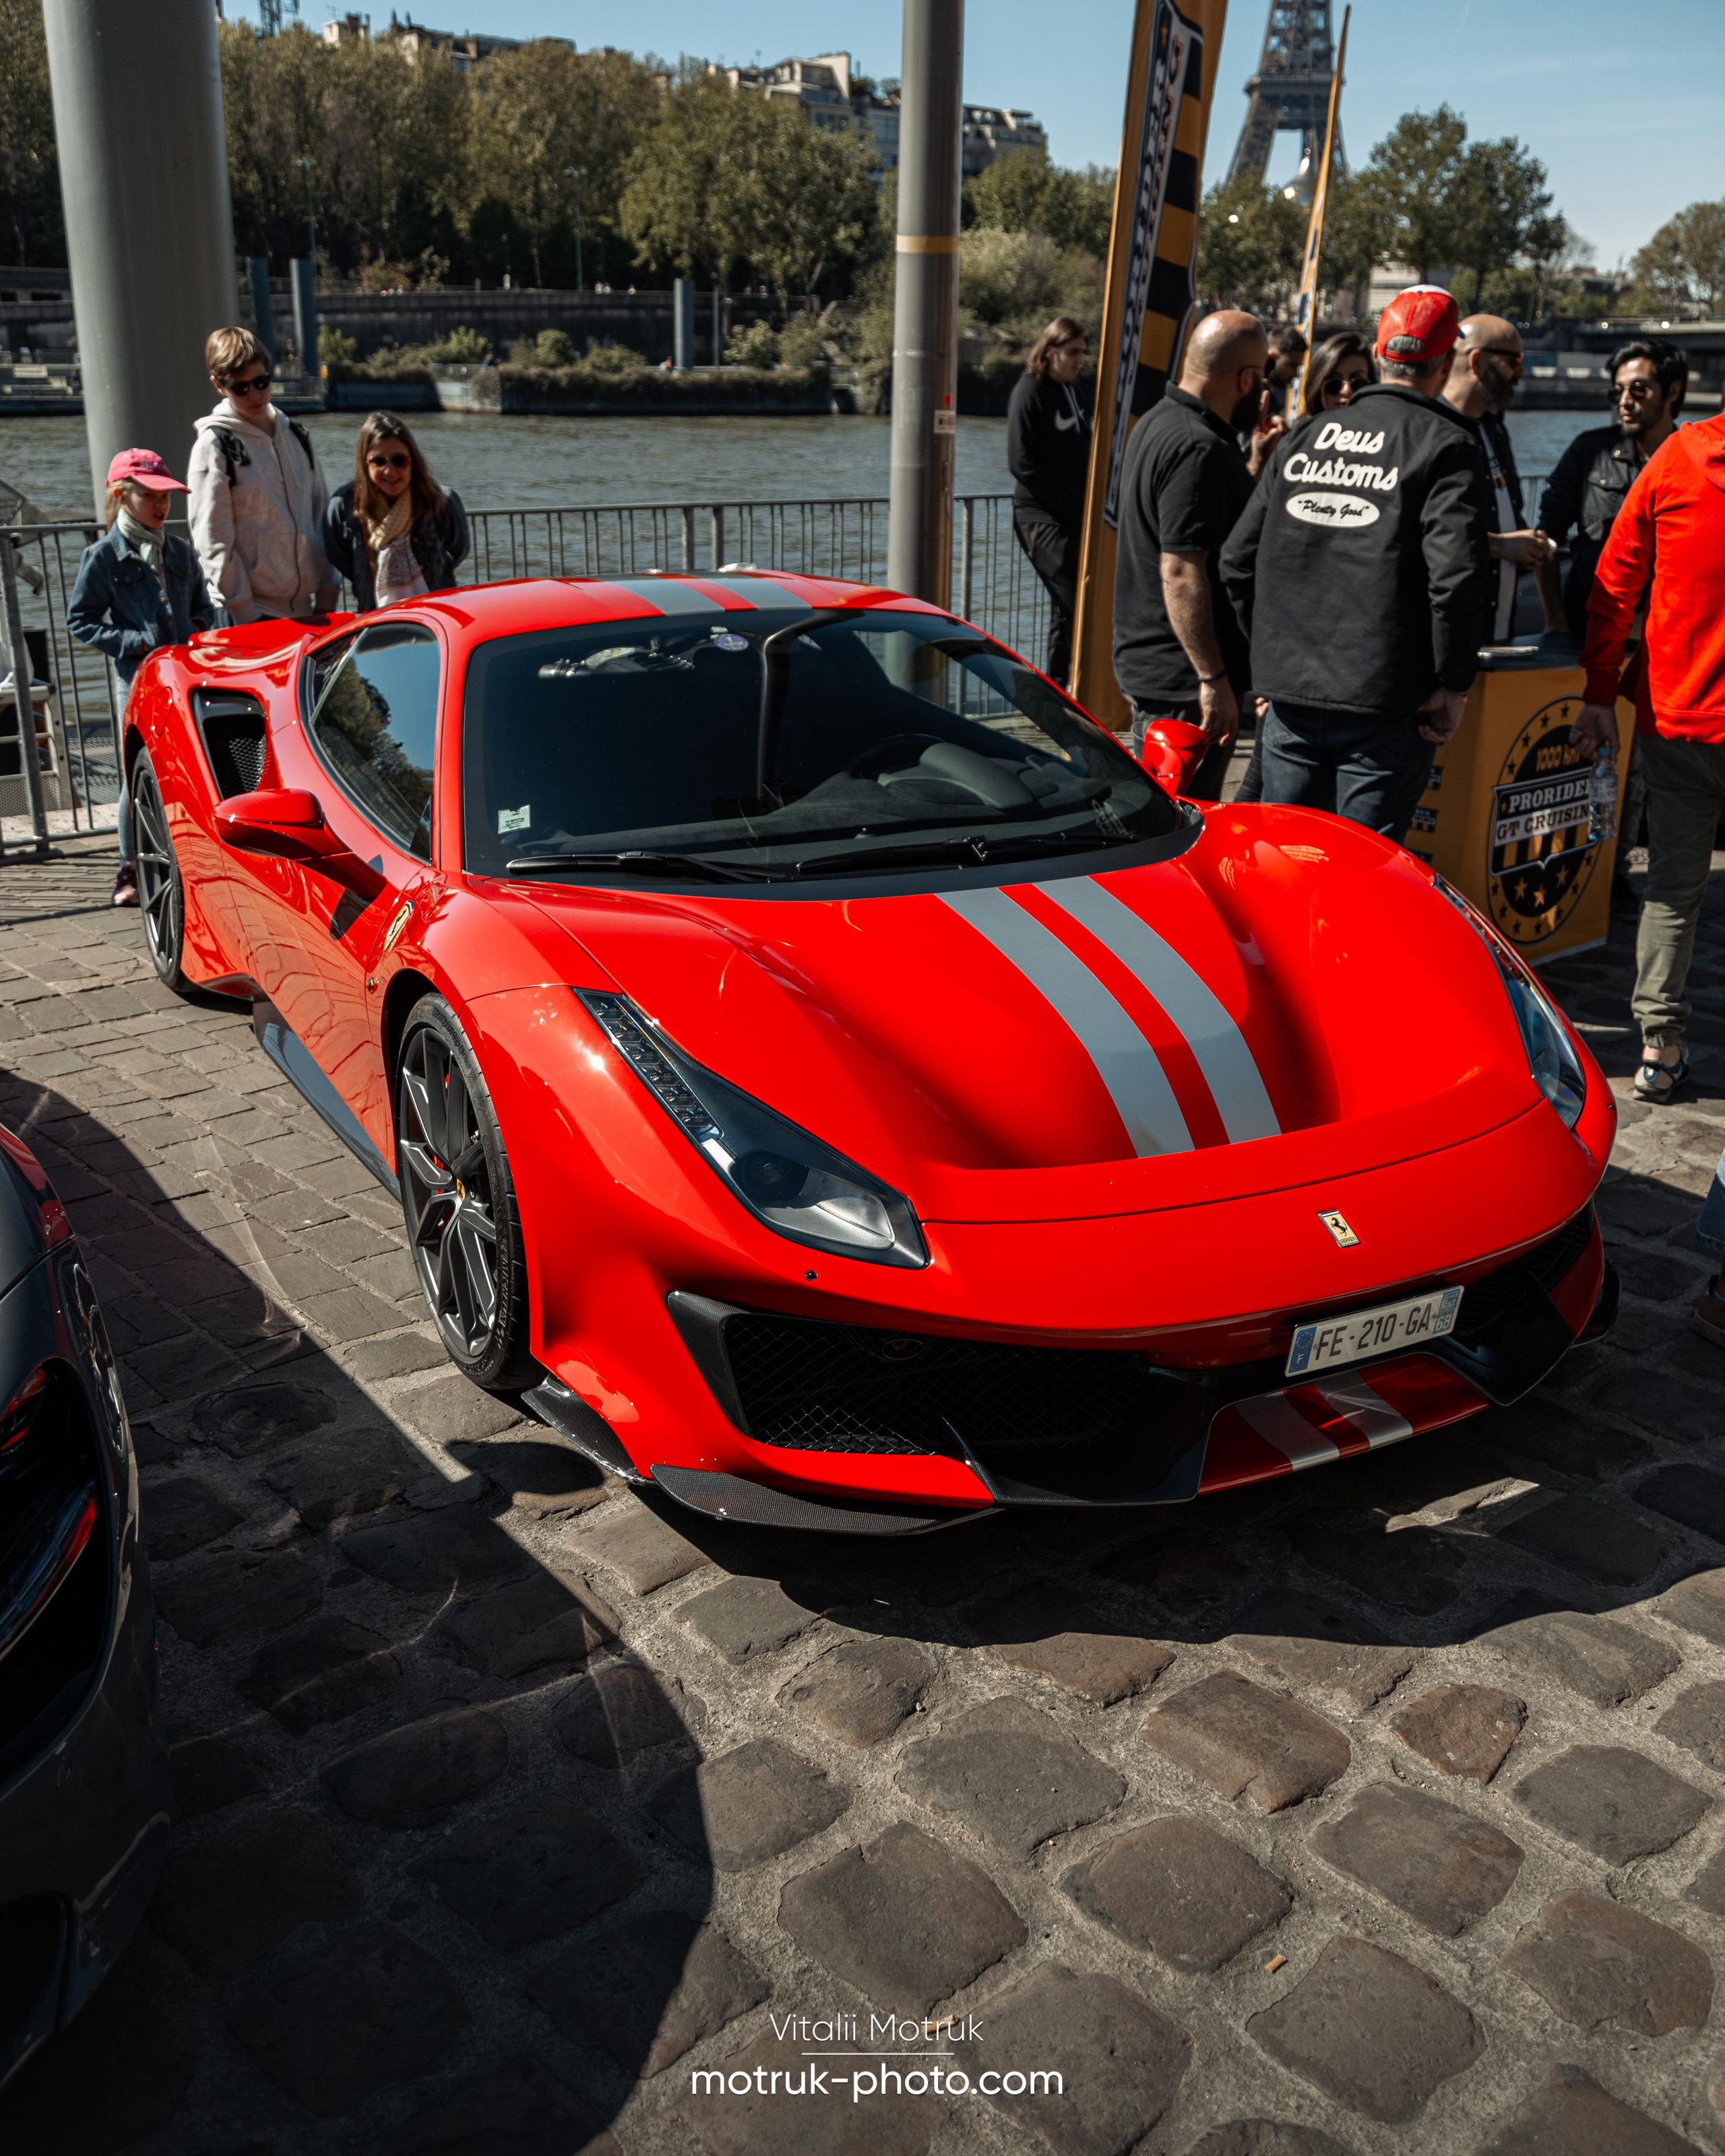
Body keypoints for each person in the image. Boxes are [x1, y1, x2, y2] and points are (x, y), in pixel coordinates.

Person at [1220, 286, 1494, 842]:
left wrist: (1270, 663)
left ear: (1378, 353)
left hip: (1292, 699)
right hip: (1388, 706)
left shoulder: (1306, 436)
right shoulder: (1447, 444)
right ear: (1445, 363)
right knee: (1362, 877)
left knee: (1285, 862)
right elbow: (1457, 579)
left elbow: (1237, 561)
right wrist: (1454, 684)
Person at [1571, 402, 1725, 1120]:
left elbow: (1614, 582)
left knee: (1671, 887)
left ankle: (1657, 1051)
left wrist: (1600, 690)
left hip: (1677, 715)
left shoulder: (1672, 459)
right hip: (1681, 714)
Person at [1112, 310, 1280, 802]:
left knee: (1166, 819)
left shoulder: (1161, 423)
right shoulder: (1197, 447)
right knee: (1180, 829)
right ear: (1245, 379)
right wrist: (1213, 680)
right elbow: (1182, 570)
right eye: (1261, 378)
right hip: (1184, 686)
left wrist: (1252, 465)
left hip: (1161, 670)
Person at [1232, 332, 1377, 807]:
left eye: (1358, 381)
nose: (1346, 394)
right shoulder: (1296, 446)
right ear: (1316, 387)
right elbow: (1242, 557)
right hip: (1291, 681)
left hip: (1356, 680)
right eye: (1333, 383)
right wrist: (1263, 670)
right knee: (1273, 817)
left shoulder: (1389, 453)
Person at [66, 449, 216, 908]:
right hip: (135, 681)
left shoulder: (181, 552)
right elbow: (81, 620)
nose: (159, 505)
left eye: (164, 496)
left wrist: (201, 634)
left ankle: (188, 860)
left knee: (190, 765)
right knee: (138, 773)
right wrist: (133, 641)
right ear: (121, 495)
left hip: (184, 676)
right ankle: (129, 867)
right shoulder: (104, 556)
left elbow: (202, 608)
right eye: (148, 495)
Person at [1537, 337, 1688, 637]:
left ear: (1672, 392)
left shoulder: (1693, 459)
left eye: (1639, 389)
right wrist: (1555, 620)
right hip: (1591, 623)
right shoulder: (1589, 451)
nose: (1624, 401)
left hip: (1667, 630)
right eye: (1617, 391)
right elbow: (1546, 537)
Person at [187, 326, 336, 625]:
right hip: (247, 614)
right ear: (219, 385)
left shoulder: (297, 436)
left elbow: (322, 517)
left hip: (306, 609)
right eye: (240, 388)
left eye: (261, 382)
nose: (254, 394)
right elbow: (212, 540)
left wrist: (327, 592)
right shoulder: (214, 445)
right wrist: (245, 612)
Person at [1441, 314, 1556, 644]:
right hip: (1446, 645)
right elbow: (1418, 533)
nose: (1521, 373)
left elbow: (1507, 517)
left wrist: (1529, 548)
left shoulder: (1493, 429)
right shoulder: (1430, 433)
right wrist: (1501, 546)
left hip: (1496, 635)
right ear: (1476, 361)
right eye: (1513, 361)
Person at [1006, 317, 1090, 688]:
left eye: (1083, 352)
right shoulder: (1030, 392)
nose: (1079, 360)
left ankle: (1063, 688)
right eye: (1072, 352)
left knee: (1069, 607)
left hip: (1075, 517)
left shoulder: (1074, 390)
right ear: (1051, 351)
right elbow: (1020, 463)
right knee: (1076, 602)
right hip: (1040, 517)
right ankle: (1059, 688)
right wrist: (1066, 502)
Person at [321, 412, 469, 611]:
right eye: (378, 461)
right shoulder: (342, 506)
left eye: (399, 460)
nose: (390, 471)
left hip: (436, 618)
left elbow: (458, 550)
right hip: (376, 619)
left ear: (413, 461)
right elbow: (340, 557)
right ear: (365, 464)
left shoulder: (443, 502)